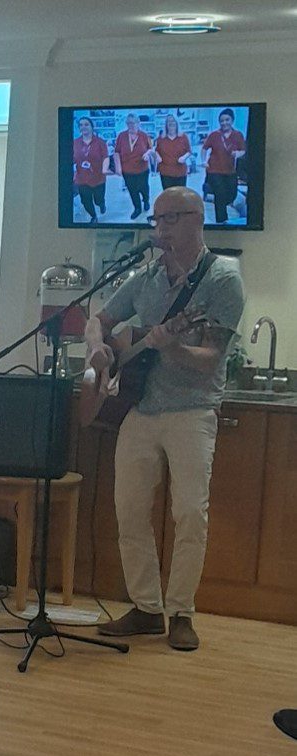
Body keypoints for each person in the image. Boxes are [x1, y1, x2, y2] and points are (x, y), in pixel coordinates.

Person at [87, 187, 245, 652]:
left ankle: (181, 612)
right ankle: (145, 608)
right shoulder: (146, 276)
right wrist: (98, 347)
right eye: (157, 220)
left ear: (198, 219)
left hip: (192, 410)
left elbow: (211, 357)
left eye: (171, 218)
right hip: (139, 407)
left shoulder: (223, 279)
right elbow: (99, 319)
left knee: (189, 513)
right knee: (129, 509)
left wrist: (171, 346)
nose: (161, 228)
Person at [200, 108, 246, 224]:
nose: (224, 123)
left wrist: (238, 154)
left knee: (232, 195)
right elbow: (204, 149)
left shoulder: (238, 135)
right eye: (222, 121)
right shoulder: (214, 135)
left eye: (227, 120)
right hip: (214, 170)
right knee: (220, 195)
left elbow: (243, 150)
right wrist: (204, 161)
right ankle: (222, 222)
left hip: (230, 171)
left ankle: (215, 199)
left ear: (232, 120)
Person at [113, 114, 153, 220]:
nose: (130, 125)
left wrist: (147, 154)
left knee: (144, 188)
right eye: (128, 123)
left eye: (133, 123)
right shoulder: (121, 136)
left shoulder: (144, 135)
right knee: (132, 190)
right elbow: (116, 152)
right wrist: (118, 168)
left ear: (138, 123)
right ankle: (137, 208)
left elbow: (150, 148)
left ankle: (146, 200)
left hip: (142, 169)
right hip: (127, 170)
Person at [72, 116, 110, 222]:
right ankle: (93, 216)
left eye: (86, 124)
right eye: (81, 125)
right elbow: (72, 158)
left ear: (92, 127)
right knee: (85, 201)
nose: (83, 127)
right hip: (82, 178)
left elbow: (106, 157)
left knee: (98, 199)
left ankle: (101, 204)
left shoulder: (100, 142)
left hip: (98, 178)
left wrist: (105, 169)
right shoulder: (75, 143)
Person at [154, 114, 192, 191]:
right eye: (169, 122)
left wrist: (184, 157)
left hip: (180, 172)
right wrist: (157, 156)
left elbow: (189, 151)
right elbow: (156, 150)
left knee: (180, 194)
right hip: (165, 172)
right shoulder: (161, 138)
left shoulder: (183, 137)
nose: (171, 124)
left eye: (173, 121)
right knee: (168, 194)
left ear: (177, 124)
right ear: (166, 125)